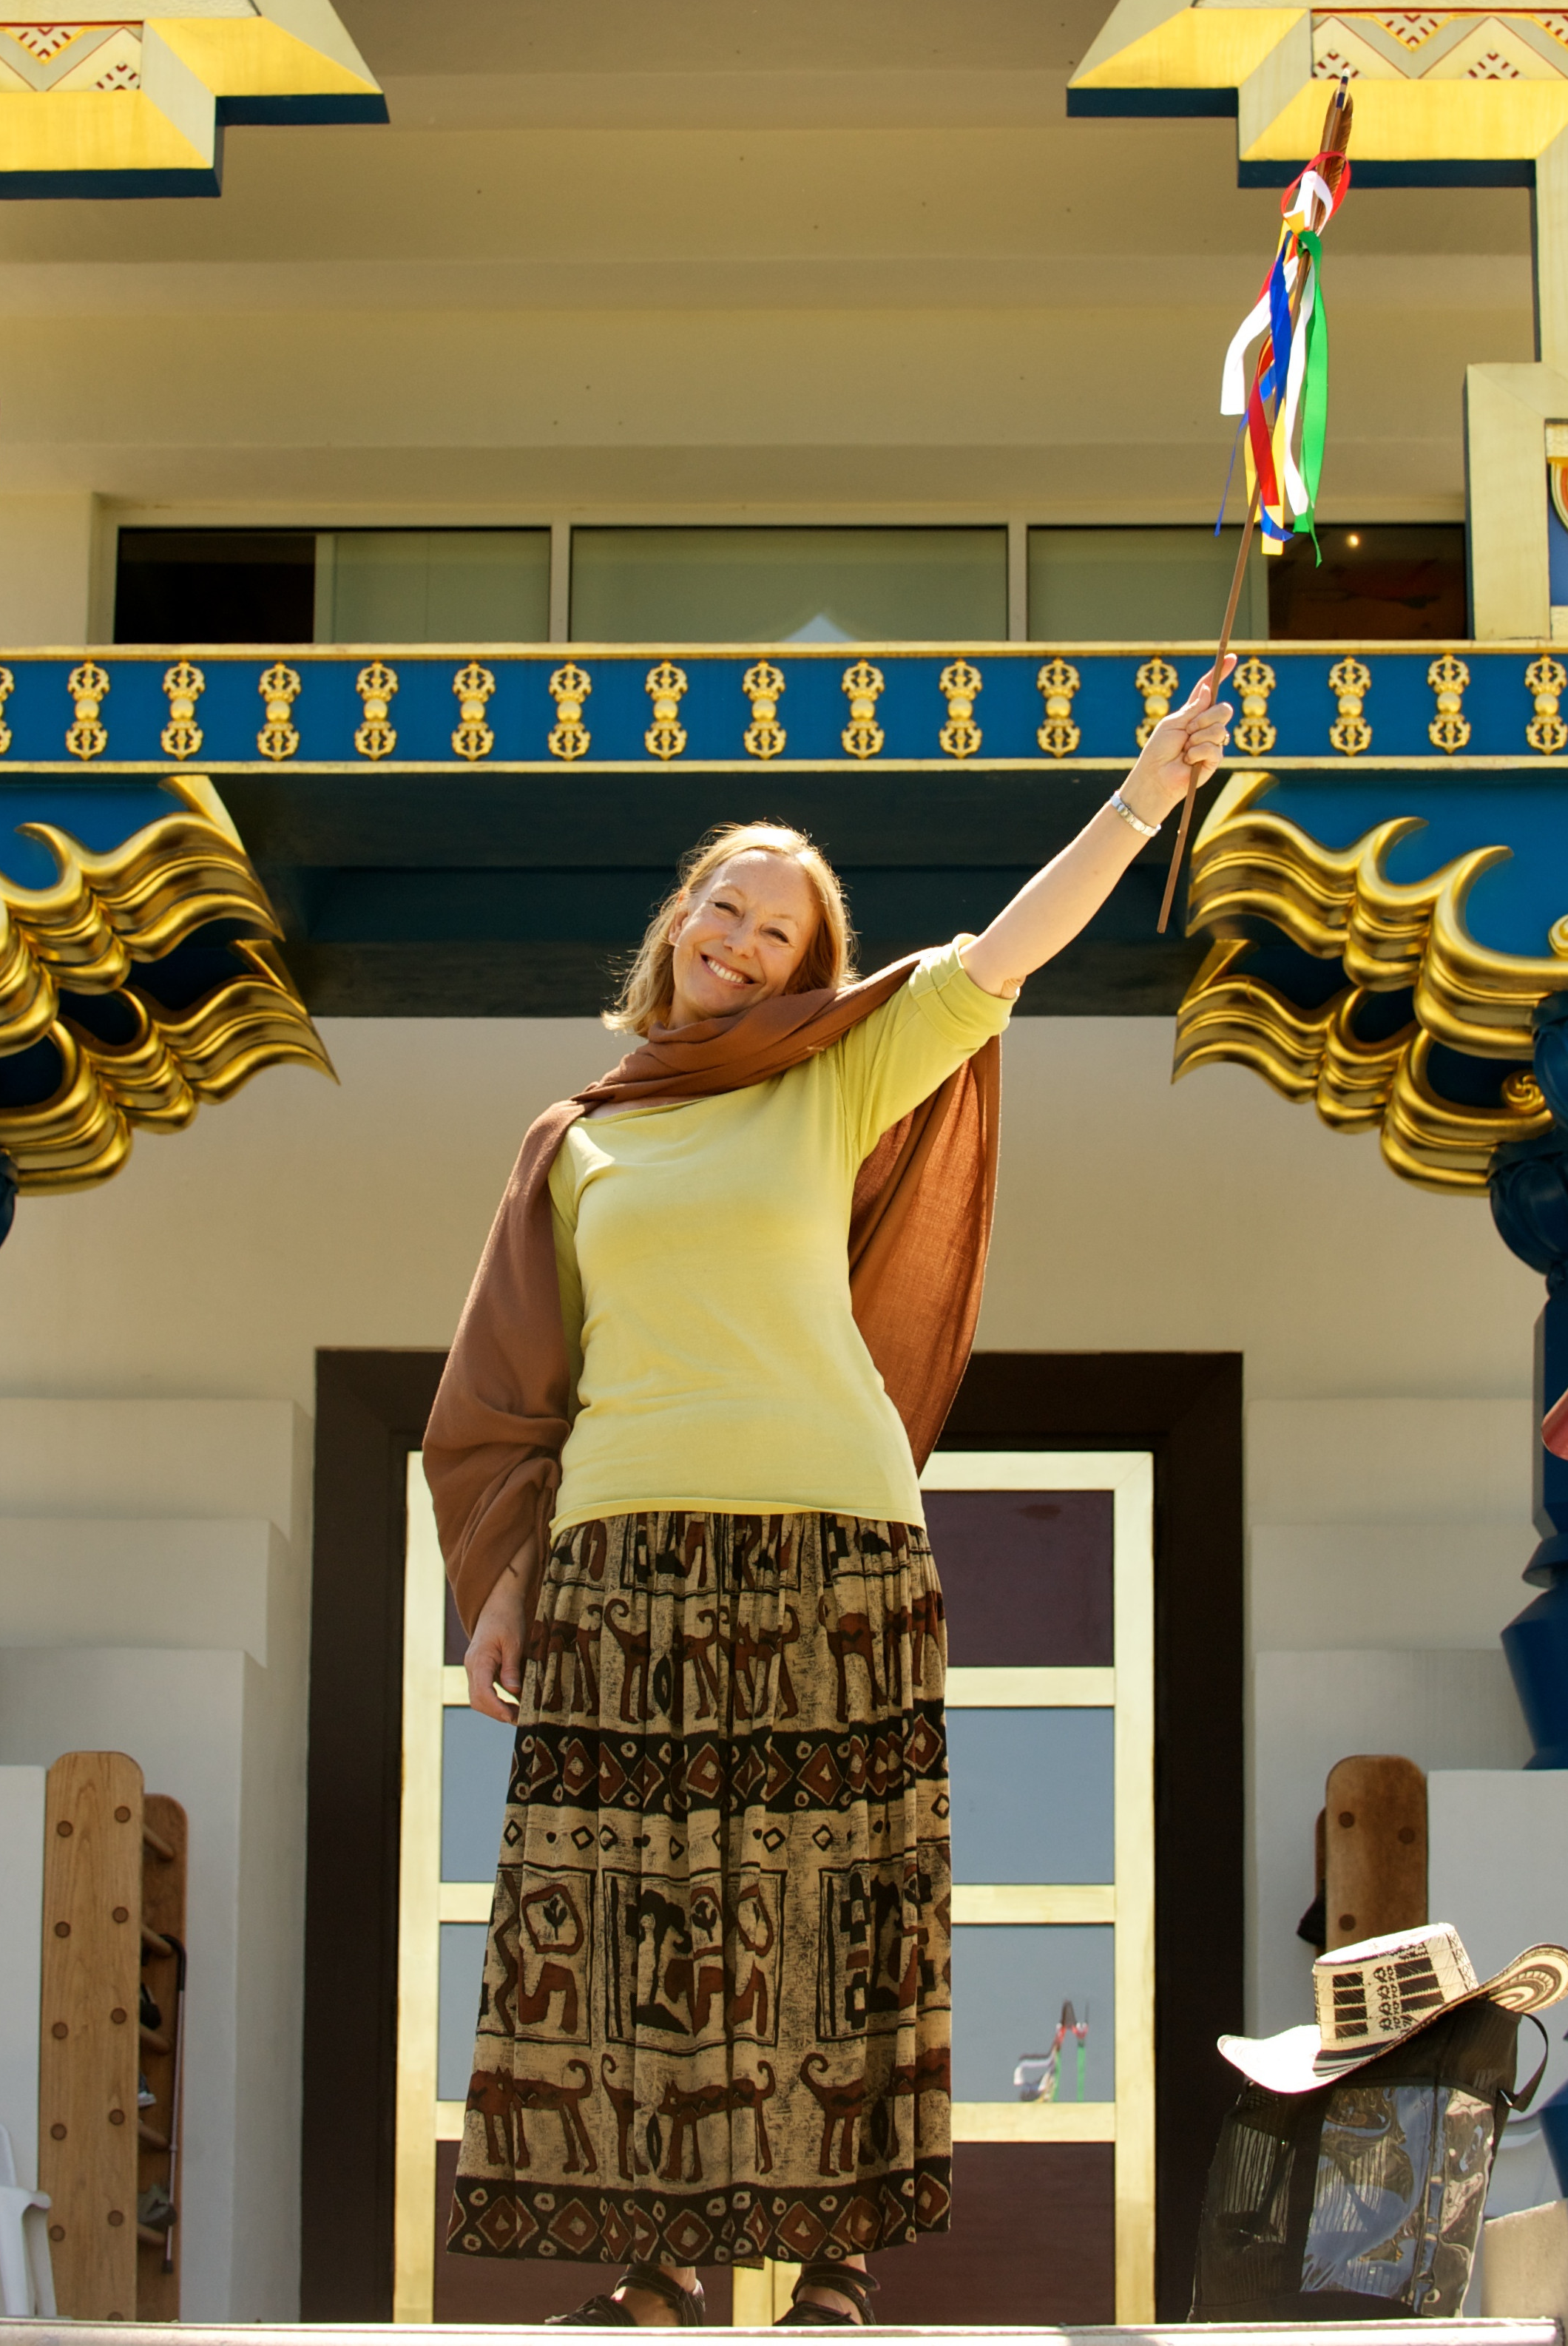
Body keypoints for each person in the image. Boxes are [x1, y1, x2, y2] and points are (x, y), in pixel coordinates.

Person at [425, 663, 1233, 2328]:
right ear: (679, 921)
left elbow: (1006, 952)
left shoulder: (832, 1076)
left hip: (828, 1533)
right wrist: (499, 1579)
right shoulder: (574, 1137)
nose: (737, 943)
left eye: (775, 933)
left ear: (809, 966)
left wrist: (1144, 794)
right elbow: (510, 1385)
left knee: (830, 1898)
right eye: (723, 910)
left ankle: (833, 2267)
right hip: (623, 1551)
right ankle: (655, 2269)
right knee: (635, 1904)